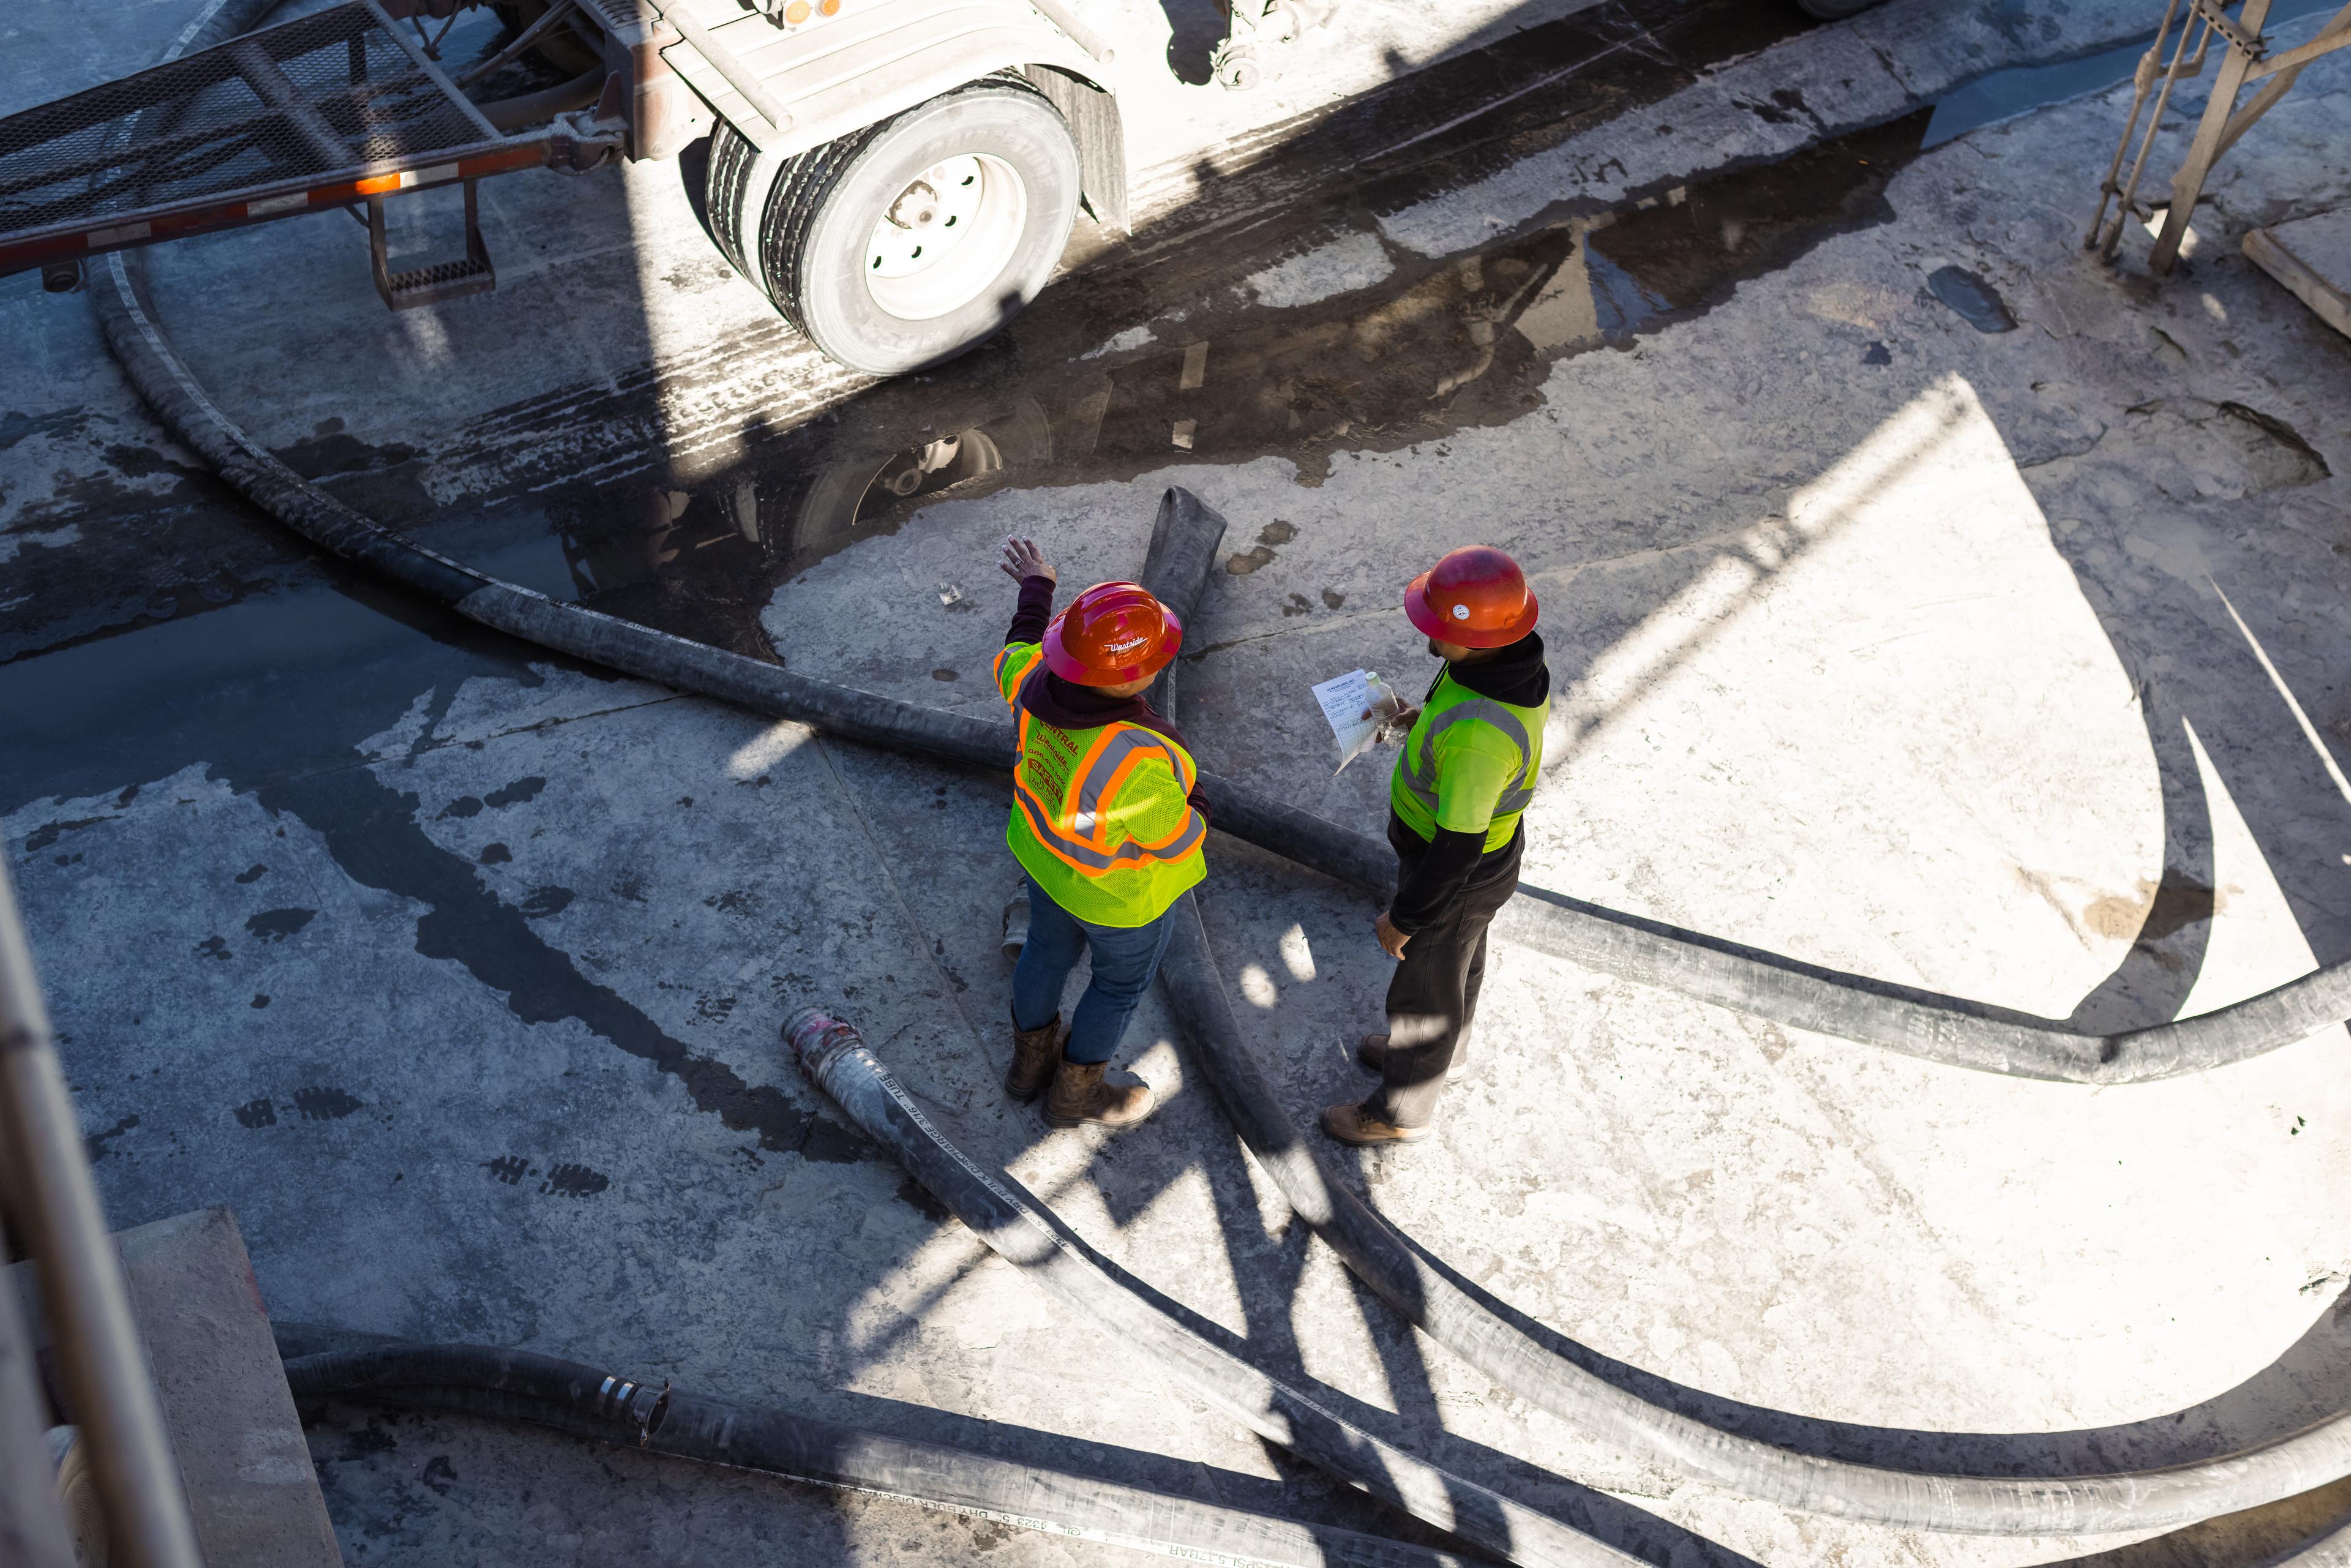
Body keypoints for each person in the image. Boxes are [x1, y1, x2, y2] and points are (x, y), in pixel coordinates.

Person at [1323, 546, 1550, 1147]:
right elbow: (1452, 722)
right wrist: (1411, 718)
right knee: (1459, 964)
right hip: (1482, 866)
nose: (1427, 633)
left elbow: (1456, 849)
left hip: (1452, 873)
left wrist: (1406, 917)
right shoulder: (1503, 663)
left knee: (1422, 993)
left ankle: (1400, 1111)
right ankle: (1441, 1056)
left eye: (1440, 628)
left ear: (1478, 637)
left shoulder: (1479, 736)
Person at [993, 536, 1207, 1129]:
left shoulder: (1031, 681)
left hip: (1045, 864)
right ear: (1138, 676)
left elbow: (1015, 648)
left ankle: (1027, 1069)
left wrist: (1037, 588)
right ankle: (1074, 1096)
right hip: (1118, 901)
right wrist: (1200, 804)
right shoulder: (1137, 757)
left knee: (1043, 951)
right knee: (1116, 987)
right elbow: (1176, 838)